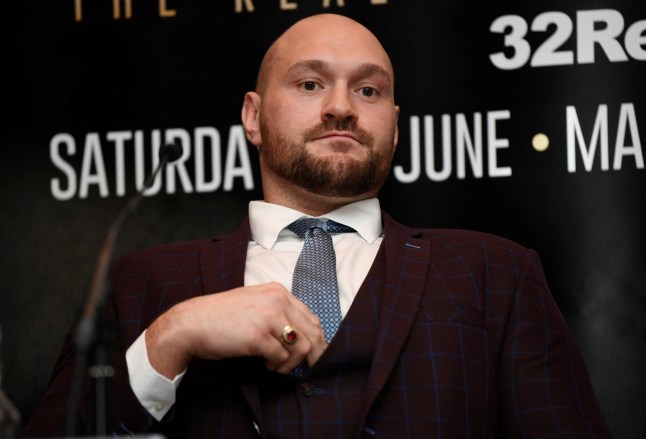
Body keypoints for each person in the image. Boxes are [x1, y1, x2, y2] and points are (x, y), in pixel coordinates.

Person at [22, 13, 610, 438]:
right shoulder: (141, 282)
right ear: (253, 117)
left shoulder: (495, 272)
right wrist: (172, 337)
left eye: (368, 89)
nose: (341, 106)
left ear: (395, 126)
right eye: (309, 83)